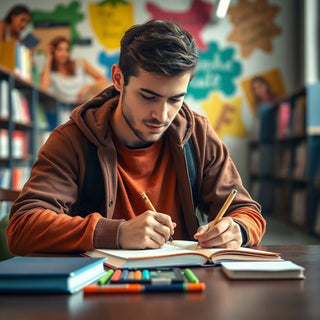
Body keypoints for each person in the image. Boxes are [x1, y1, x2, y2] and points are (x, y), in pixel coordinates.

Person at [7, 20, 265, 255]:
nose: (161, 115)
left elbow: (248, 212)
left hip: (186, 284)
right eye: (148, 96)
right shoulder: (72, 139)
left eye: (175, 99)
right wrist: (115, 233)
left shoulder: (197, 134)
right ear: (118, 79)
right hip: (98, 288)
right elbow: (22, 228)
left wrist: (238, 230)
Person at [40, 36, 111, 104]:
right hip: (63, 109)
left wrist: (87, 87)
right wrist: (49, 58)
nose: (64, 53)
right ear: (53, 51)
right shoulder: (50, 73)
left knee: (108, 87)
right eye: (60, 49)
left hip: (82, 105)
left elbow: (103, 79)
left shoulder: (80, 63)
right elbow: (43, 89)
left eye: (66, 50)